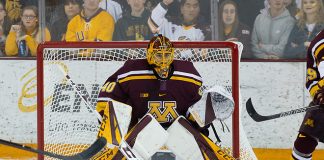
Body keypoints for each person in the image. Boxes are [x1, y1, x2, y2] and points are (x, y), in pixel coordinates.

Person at [95, 34, 229, 159]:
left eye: (167, 55)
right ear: (150, 55)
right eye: (159, 55)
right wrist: (106, 114)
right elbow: (109, 96)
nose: (164, 60)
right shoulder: (132, 71)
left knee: (187, 130)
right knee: (141, 123)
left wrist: (201, 117)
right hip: (141, 134)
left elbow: (195, 112)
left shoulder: (189, 75)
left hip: (179, 133)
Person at [291, 29, 324, 160]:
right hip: (322, 100)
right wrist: (318, 95)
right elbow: (311, 80)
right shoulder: (319, 42)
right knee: (302, 146)